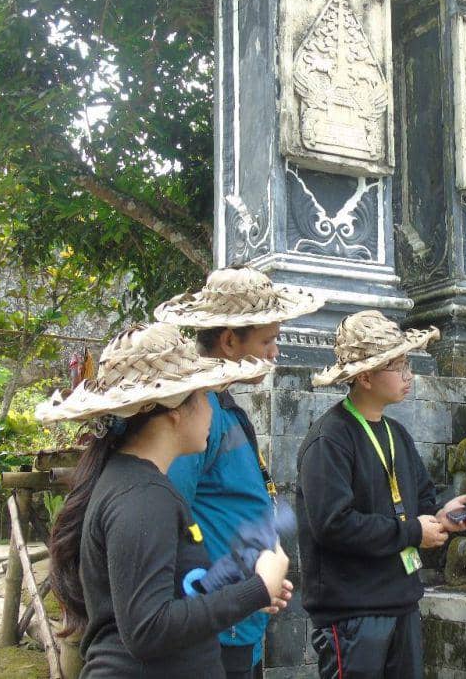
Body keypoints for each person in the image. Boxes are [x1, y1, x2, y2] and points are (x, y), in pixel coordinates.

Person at [42, 323, 293, 678]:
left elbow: (176, 592)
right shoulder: (143, 499)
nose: (211, 411)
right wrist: (257, 589)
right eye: (205, 397)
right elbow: (148, 629)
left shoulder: (137, 484)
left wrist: (244, 589)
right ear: (175, 410)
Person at [154, 266, 323, 679]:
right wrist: (235, 591)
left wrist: (257, 583)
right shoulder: (195, 417)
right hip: (216, 626)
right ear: (230, 341)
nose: (275, 352)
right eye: (268, 340)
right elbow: (171, 519)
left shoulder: (225, 408)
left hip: (241, 616)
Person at [296, 310, 466, 679]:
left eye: (408, 364)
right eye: (397, 366)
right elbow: (333, 524)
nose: (409, 375)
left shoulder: (397, 433)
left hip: (402, 601)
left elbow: (421, 502)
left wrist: (443, 517)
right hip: (352, 611)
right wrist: (413, 532)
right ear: (365, 376)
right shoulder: (329, 438)